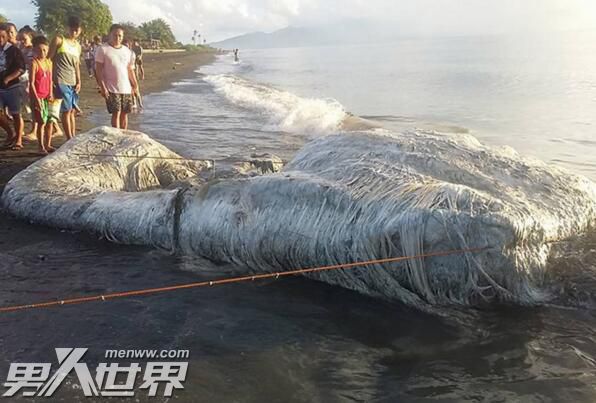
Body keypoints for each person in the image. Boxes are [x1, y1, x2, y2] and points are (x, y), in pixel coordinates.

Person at [94, 24, 139, 129]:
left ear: (123, 37)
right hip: (111, 88)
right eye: (115, 35)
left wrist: (135, 85)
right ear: (109, 35)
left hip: (126, 88)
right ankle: (116, 136)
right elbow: (98, 71)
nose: (117, 38)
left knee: (125, 113)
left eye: (120, 36)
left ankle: (124, 135)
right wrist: (102, 87)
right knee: (116, 112)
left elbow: (130, 70)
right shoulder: (103, 49)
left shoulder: (128, 52)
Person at [49, 16, 82, 140]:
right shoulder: (59, 40)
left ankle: (73, 137)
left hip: (73, 81)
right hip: (61, 79)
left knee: (72, 110)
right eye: (72, 29)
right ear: (68, 28)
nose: (74, 32)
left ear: (80, 30)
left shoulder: (78, 46)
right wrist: (50, 79)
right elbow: (48, 59)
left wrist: (79, 81)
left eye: (76, 30)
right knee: (66, 110)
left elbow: (77, 66)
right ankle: (69, 138)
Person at [0, 23, 25, 150]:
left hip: (12, 87)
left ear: (6, 37)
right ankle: (10, 133)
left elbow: (21, 68)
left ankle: (19, 139)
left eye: (2, 36)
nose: (0, 39)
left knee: (16, 114)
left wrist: (8, 78)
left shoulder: (14, 50)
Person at [29, 35, 55, 154]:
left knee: (50, 121)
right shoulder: (34, 63)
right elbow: (31, 83)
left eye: (44, 50)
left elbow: (50, 80)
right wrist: (36, 99)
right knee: (41, 122)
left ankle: (48, 144)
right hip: (38, 97)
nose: (42, 52)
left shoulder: (49, 63)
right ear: (34, 50)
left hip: (47, 97)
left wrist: (51, 93)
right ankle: (41, 146)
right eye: (39, 50)